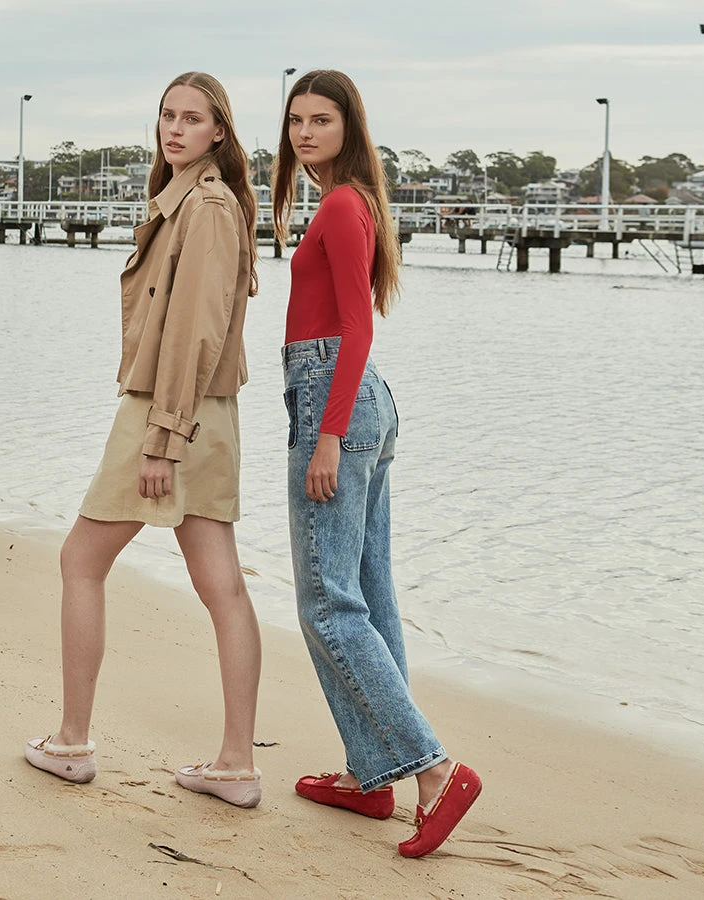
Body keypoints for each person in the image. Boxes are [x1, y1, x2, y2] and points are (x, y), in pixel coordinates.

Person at [25, 72, 263, 809]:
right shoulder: (188, 201)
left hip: (169, 412)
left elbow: (195, 331)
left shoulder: (208, 208)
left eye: (192, 118)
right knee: (221, 585)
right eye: (167, 115)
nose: (175, 128)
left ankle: (72, 742)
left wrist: (163, 436)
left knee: (82, 560)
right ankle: (236, 765)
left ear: (219, 130)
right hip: (201, 413)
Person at [273, 70, 482, 857]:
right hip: (359, 400)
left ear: (349, 128)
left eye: (320, 120)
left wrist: (327, 435)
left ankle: (433, 769)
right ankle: (370, 775)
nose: (304, 132)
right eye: (296, 120)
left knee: (329, 604)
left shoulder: (341, 205)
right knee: (366, 591)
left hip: (338, 399)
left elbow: (357, 328)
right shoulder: (349, 202)